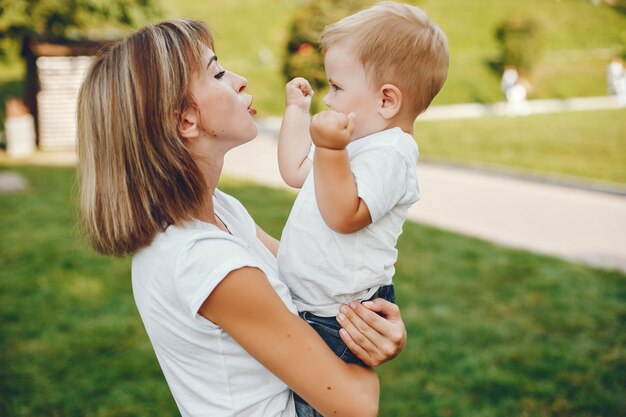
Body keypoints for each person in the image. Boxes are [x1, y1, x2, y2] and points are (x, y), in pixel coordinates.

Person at [76, 19, 408, 417]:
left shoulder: (220, 210)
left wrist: (373, 327)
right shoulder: (208, 264)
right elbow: (356, 404)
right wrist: (363, 357)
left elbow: (311, 270)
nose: (240, 80)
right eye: (217, 73)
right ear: (185, 120)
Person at [276, 2, 448, 413]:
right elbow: (295, 171)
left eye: (336, 88)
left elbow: (345, 214)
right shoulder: (353, 142)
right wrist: (296, 114)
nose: (328, 98)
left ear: (386, 100)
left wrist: (331, 148)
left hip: (339, 318)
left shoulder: (391, 153)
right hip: (311, 305)